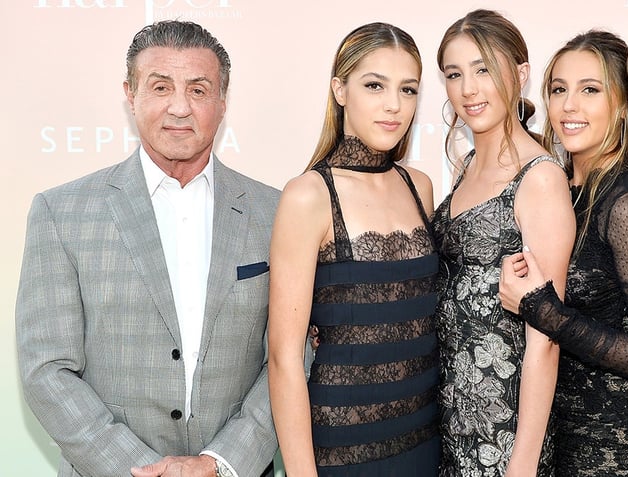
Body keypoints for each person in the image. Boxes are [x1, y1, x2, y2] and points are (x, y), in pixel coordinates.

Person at [15, 20, 279, 477]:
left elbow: (290, 356)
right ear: (131, 95)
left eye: (198, 90)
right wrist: (138, 469)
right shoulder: (60, 212)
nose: (179, 107)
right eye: (161, 87)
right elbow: (47, 370)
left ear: (222, 101)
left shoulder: (276, 212)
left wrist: (222, 462)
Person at [499, 30, 628, 476]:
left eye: (590, 90)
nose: (568, 106)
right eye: (559, 90)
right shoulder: (559, 188)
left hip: (618, 452)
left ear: (623, 104)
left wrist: (544, 310)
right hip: (562, 441)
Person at [267, 22, 440, 476]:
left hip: (425, 443)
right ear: (339, 89)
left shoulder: (419, 186)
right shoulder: (308, 195)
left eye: (408, 89)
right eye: (374, 85)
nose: (393, 105)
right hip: (341, 453)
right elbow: (284, 358)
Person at [432, 9, 575, 476]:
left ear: (520, 74)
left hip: (506, 432)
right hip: (451, 416)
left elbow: (547, 338)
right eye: (455, 74)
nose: (468, 89)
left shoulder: (540, 179)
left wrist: (523, 464)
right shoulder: (466, 164)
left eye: (483, 69)